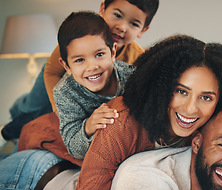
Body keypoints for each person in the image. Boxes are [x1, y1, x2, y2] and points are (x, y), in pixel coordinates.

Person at [21, 34, 222, 190]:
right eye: (181, 91)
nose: (191, 109)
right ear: (161, 88)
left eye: (206, 97)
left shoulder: (210, 133)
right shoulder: (120, 123)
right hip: (33, 173)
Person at [0, 0, 159, 148]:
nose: (122, 27)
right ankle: (19, 111)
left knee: (48, 116)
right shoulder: (79, 36)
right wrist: (58, 111)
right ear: (103, 9)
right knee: (32, 107)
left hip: (85, 89)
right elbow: (52, 72)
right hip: (56, 77)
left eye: (133, 23)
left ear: (143, 30)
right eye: (117, 15)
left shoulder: (136, 57)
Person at [54, 11, 135, 159]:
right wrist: (88, 126)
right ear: (66, 66)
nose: (92, 66)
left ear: (113, 52)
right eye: (79, 60)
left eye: (99, 55)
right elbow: (74, 148)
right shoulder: (65, 92)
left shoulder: (132, 77)